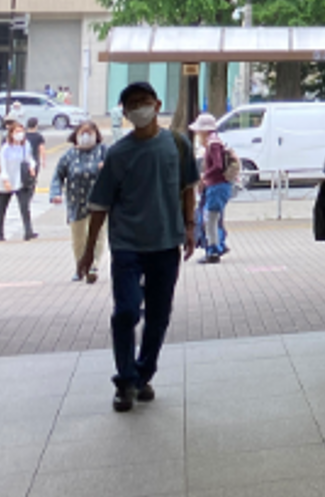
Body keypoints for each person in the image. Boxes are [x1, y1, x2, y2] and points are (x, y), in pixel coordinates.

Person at [78, 82, 198, 412]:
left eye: (144, 101)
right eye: (132, 104)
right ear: (125, 112)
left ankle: (142, 375)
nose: (139, 108)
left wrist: (190, 226)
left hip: (166, 243)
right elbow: (100, 204)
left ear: (157, 105)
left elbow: (188, 188)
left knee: (158, 316)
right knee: (126, 311)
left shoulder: (177, 145)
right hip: (127, 245)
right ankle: (125, 378)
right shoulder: (119, 153)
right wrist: (89, 250)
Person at [51, 122, 108, 283]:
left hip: (98, 201)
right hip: (76, 202)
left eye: (90, 132)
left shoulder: (104, 152)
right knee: (79, 238)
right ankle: (80, 265)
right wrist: (55, 193)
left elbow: (117, 170)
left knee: (97, 235)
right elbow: (58, 175)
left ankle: (93, 266)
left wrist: (106, 167)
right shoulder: (69, 155)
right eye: (83, 132)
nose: (86, 136)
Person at [192, 114, 233, 264]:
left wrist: (204, 177)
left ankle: (213, 251)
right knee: (213, 218)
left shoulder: (213, 144)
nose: (197, 133)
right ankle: (216, 247)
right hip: (218, 185)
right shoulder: (214, 142)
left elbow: (217, 165)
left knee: (210, 219)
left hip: (216, 186)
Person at [0, 122, 38, 241]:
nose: (20, 134)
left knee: (25, 206)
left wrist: (32, 167)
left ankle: (28, 231)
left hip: (21, 180)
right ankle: (0, 233)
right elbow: (2, 165)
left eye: (21, 131)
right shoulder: (6, 148)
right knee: (2, 207)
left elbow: (29, 159)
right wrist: (5, 180)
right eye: (17, 132)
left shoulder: (25, 145)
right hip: (8, 180)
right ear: (11, 133)